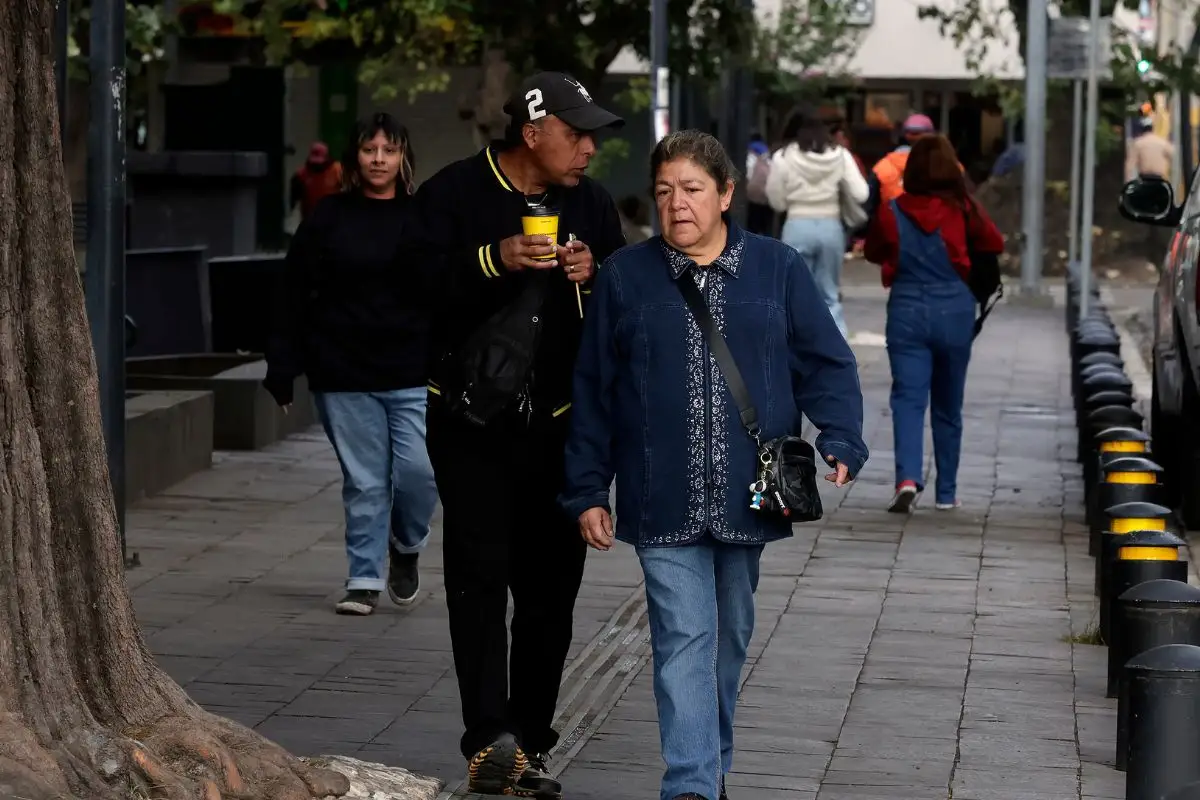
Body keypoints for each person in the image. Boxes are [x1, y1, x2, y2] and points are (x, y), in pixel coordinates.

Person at [560, 129, 868, 800]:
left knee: (728, 641)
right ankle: (692, 785)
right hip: (658, 492)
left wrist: (841, 433)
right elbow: (592, 391)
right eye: (665, 191)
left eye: (693, 190)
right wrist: (587, 488)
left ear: (726, 194)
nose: (677, 205)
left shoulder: (777, 269)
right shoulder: (624, 278)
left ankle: (712, 760)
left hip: (747, 493)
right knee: (682, 636)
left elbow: (825, 361)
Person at [408, 71, 627, 799]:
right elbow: (412, 287)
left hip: (559, 429)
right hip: (470, 421)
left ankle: (530, 740)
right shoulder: (453, 195)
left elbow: (620, 307)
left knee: (550, 593)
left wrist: (593, 275)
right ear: (532, 134)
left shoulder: (590, 205)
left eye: (593, 135)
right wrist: (492, 259)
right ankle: (489, 742)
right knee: (478, 578)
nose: (589, 148)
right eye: (577, 134)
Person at [264, 113, 438, 615]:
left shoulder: (423, 217)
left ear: (403, 157)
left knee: (418, 474)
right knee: (365, 480)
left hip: (412, 370)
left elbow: (450, 291)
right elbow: (292, 292)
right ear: (354, 158)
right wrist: (282, 365)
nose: (378, 159)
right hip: (342, 372)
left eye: (388, 150)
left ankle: (406, 548)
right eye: (369, 150)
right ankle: (363, 577)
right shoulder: (327, 218)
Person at [863, 134, 1005, 513]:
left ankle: (907, 478)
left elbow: (874, 251)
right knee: (948, 405)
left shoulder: (891, 211)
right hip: (955, 310)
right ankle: (947, 493)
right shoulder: (964, 210)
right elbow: (994, 243)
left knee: (908, 399)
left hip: (907, 309)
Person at [765, 109, 869, 339]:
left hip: (796, 225)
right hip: (830, 227)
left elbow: (775, 199)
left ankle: (795, 345)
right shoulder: (840, 156)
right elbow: (861, 193)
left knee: (793, 292)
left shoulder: (784, 157)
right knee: (829, 293)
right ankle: (835, 345)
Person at [290, 141, 344, 221]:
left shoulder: (338, 171)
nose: (317, 165)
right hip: (311, 221)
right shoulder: (302, 175)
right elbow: (293, 199)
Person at [744, 133, 775, 236]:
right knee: (766, 228)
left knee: (752, 227)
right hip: (767, 198)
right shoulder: (767, 154)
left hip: (752, 199)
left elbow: (748, 175)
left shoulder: (749, 154)